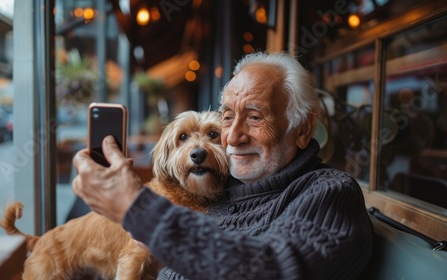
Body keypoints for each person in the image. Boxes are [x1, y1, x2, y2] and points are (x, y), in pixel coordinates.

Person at [72, 52, 373, 279]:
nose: (233, 136)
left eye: (255, 117)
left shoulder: (328, 191)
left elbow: (272, 267)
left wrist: (139, 211)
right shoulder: (220, 187)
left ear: (304, 129)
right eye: (227, 117)